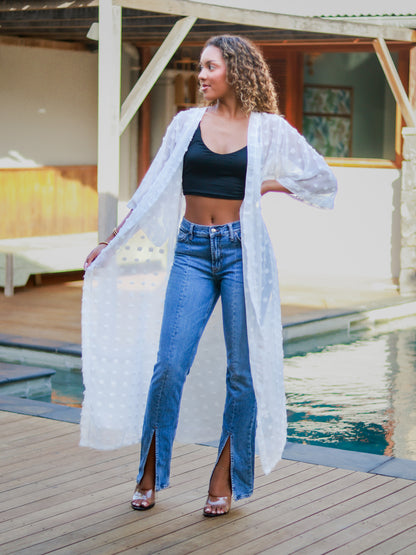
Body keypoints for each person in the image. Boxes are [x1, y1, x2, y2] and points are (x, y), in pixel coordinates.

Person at [81, 34, 337, 517]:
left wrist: (269, 183)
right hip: (191, 251)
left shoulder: (268, 129)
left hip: (243, 253)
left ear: (235, 71)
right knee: (168, 366)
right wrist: (110, 241)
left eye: (210, 67)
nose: (201, 75)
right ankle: (149, 473)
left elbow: (323, 179)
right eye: (200, 67)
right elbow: (152, 186)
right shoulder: (186, 124)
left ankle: (223, 479)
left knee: (242, 374)